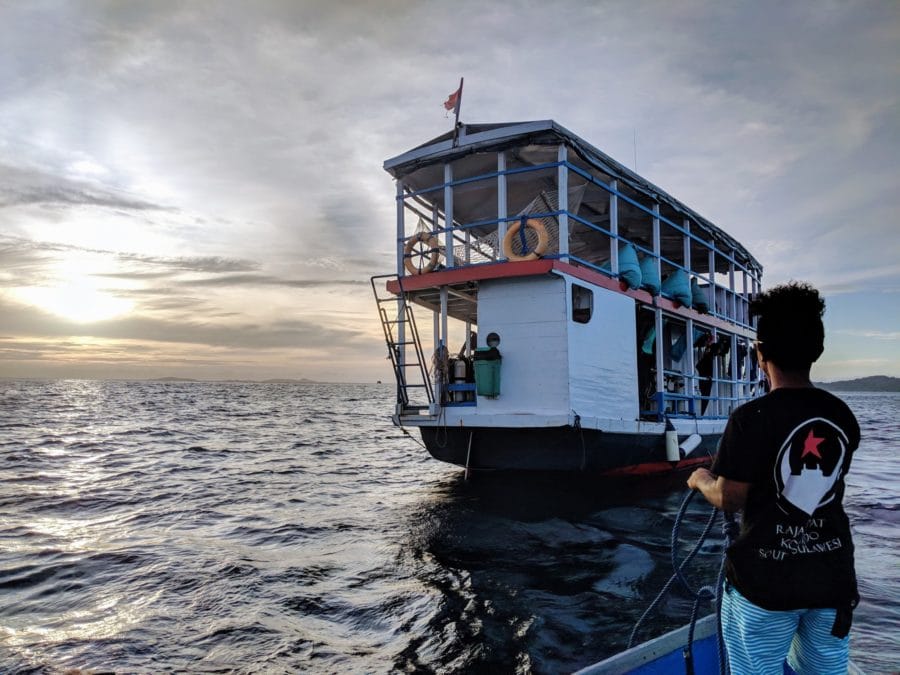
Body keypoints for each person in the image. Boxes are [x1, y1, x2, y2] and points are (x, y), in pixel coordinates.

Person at [687, 282, 860, 674]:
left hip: (765, 583)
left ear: (760, 352)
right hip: (831, 577)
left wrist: (699, 478)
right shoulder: (842, 415)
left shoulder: (749, 419)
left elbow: (730, 498)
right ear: (817, 349)